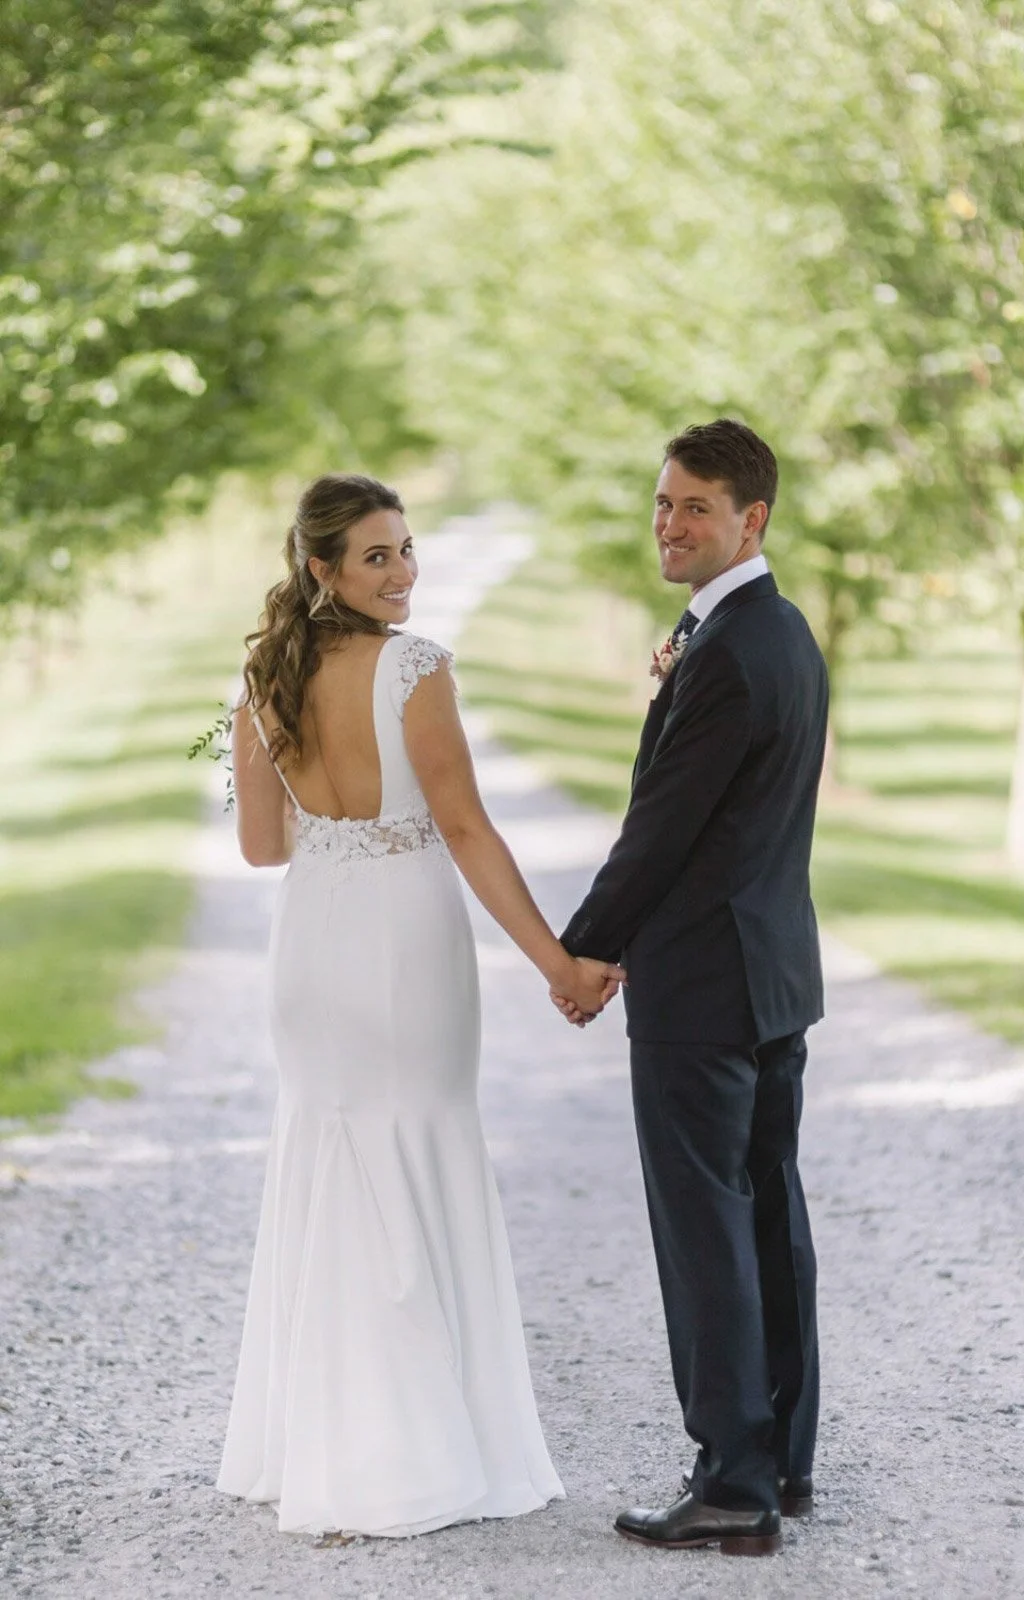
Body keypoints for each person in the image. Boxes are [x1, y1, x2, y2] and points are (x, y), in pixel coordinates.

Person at [216, 472, 623, 1538]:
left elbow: (264, 849)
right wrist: (558, 964)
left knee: (334, 1153)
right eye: (376, 556)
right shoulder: (415, 667)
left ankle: (316, 1448)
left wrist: (323, 802)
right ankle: (411, 1456)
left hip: (312, 939)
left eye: (406, 550)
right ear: (322, 568)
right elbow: (467, 830)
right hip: (402, 935)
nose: (402, 574)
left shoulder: (261, 673)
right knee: (418, 1147)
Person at [555, 420, 828, 1557]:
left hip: (703, 988)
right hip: (766, 980)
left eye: (694, 508)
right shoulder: (780, 634)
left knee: (705, 1231)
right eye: (662, 503)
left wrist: (583, 950)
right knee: (765, 1215)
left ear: (749, 518)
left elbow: (662, 826)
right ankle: (780, 1463)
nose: (668, 524)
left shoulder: (725, 652)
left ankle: (730, 1480)